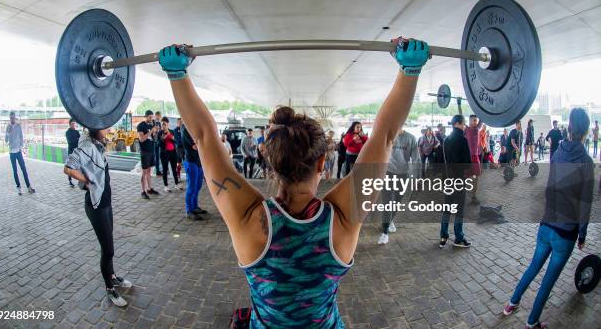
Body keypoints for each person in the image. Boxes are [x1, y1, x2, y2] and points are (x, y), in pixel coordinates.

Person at [156, 36, 427, 327]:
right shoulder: (343, 218)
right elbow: (385, 135)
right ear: (322, 163)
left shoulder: (249, 218)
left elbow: (204, 136)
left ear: (271, 164)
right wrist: (408, 71)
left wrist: (177, 75)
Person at [503, 108, 594, 329]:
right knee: (548, 281)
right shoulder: (586, 162)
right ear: (586, 130)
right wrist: (582, 234)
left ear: (569, 127)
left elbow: (550, 188)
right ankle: (531, 322)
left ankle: (511, 304)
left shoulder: (558, 152)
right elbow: (584, 203)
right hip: (565, 232)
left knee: (533, 267)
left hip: (546, 225)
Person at [64, 129, 133, 307]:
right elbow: (68, 168)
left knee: (109, 246)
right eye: (104, 127)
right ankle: (110, 288)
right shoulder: (87, 145)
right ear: (95, 128)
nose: (108, 129)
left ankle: (112, 276)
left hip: (106, 202)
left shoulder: (96, 144)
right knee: (108, 250)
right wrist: (87, 181)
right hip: (96, 206)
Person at [378, 129, 420, 245]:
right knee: (387, 203)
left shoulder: (411, 138)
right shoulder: (387, 136)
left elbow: (416, 159)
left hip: (403, 174)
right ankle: (384, 232)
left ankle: (390, 221)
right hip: (387, 173)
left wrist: (417, 178)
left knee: (397, 202)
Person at [439, 115, 472, 249]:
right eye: (464, 124)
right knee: (459, 210)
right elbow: (468, 163)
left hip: (448, 179)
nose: (465, 126)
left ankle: (443, 236)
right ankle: (459, 237)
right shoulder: (463, 140)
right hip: (459, 179)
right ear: (458, 124)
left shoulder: (446, 139)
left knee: (447, 208)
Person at [5, 112, 35, 194]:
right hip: (12, 153)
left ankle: (29, 187)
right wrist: (8, 133)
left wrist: (21, 147)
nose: (12, 120)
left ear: (15, 118)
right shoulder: (8, 127)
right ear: (9, 118)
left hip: (18, 152)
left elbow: (21, 137)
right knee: (15, 171)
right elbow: (6, 140)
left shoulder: (18, 126)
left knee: (24, 169)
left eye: (13, 118)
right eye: (11, 118)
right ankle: (19, 188)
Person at [181, 124, 207, 219]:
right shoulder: (185, 129)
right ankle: (189, 211)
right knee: (191, 186)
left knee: (198, 185)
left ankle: (194, 206)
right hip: (191, 161)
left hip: (198, 161)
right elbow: (196, 146)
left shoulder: (193, 128)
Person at [137, 110, 159, 199]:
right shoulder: (141, 125)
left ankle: (149, 188)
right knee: (144, 172)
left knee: (149, 171)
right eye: (149, 117)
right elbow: (141, 139)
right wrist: (150, 132)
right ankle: (143, 191)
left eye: (152, 117)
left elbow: (154, 139)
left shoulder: (151, 125)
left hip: (151, 150)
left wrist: (155, 132)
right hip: (144, 151)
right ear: (145, 117)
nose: (151, 119)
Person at [157, 117, 181, 192]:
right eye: (162, 124)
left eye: (164, 124)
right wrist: (162, 139)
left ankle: (176, 184)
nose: (163, 126)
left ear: (168, 124)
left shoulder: (172, 131)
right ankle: (166, 186)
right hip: (164, 153)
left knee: (174, 169)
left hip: (172, 153)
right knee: (165, 169)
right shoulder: (160, 133)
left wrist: (172, 137)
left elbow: (176, 142)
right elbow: (158, 145)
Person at [464, 114, 482, 204]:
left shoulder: (477, 129)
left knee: (475, 178)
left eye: (476, 120)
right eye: (474, 120)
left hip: (475, 159)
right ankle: (461, 195)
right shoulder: (466, 129)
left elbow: (484, 116)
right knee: (465, 177)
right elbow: (461, 117)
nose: (476, 122)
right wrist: (459, 104)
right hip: (467, 158)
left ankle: (473, 197)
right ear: (470, 121)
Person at [65, 118, 81, 188]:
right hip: (71, 152)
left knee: (79, 166)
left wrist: (77, 140)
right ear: (70, 124)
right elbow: (70, 142)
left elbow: (80, 141)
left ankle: (80, 180)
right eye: (72, 124)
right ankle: (70, 180)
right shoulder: (67, 132)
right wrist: (77, 140)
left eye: (74, 123)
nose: (74, 125)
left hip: (77, 151)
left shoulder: (77, 132)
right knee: (70, 166)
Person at [153, 111, 163, 177]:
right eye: (158, 116)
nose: (159, 117)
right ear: (156, 115)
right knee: (153, 157)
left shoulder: (159, 123)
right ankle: (152, 170)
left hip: (158, 142)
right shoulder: (153, 122)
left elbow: (160, 132)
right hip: (153, 142)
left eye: (160, 116)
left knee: (157, 157)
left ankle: (157, 171)